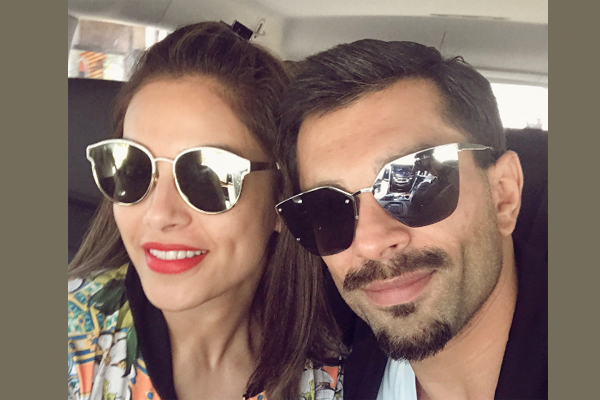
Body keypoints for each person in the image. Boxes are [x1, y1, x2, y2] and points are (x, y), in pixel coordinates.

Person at [67, 22, 345, 400]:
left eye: (208, 176)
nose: (158, 214)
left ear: (280, 199)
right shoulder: (70, 337)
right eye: (133, 167)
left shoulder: (332, 369)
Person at [275, 39, 547, 399]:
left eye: (415, 182)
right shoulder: (325, 362)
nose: (371, 242)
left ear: (503, 195)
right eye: (328, 207)